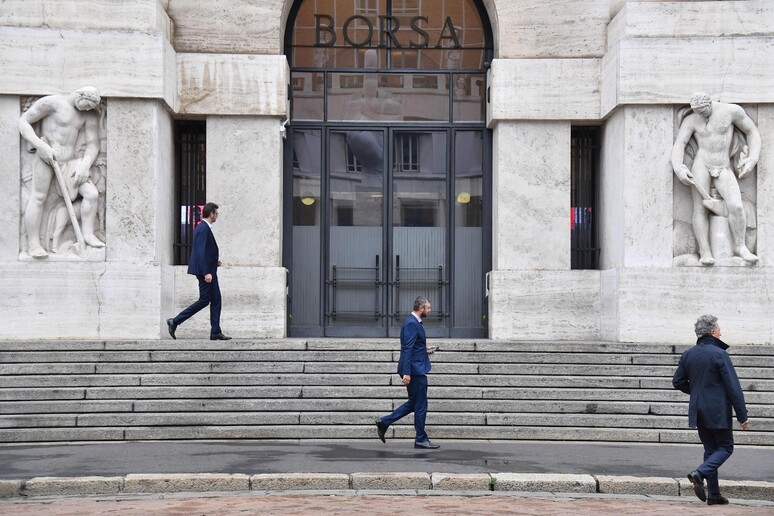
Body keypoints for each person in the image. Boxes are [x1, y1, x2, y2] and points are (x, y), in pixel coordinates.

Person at [671, 92, 761, 265]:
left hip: (723, 165)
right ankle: (705, 251)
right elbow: (680, 144)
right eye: (697, 112)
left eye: (703, 111)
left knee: (736, 206)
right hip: (701, 164)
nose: (701, 115)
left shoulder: (731, 111)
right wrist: (679, 168)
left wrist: (753, 158)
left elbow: (752, 131)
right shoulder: (692, 120)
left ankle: (740, 246)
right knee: (700, 208)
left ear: (710, 104)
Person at [672, 314, 749, 505]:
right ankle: (700, 473)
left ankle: (714, 494)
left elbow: (678, 382)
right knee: (726, 447)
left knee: (711, 449)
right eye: (719, 330)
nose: (721, 333)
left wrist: (697, 392)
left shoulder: (688, 354)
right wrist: (742, 415)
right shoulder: (719, 354)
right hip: (717, 410)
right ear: (713, 332)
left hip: (698, 409)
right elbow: (733, 387)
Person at [19, 87, 104, 258]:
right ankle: (33, 245)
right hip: (46, 157)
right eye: (87, 105)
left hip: (71, 162)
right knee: (38, 197)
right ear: (80, 96)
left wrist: (85, 165)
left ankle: (88, 234)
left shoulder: (89, 115)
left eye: (91, 107)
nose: (88, 109)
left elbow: (93, 143)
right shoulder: (52, 103)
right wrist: (40, 146)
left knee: (92, 194)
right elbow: (24, 122)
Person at [375, 296, 439, 449]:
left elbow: (414, 346)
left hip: (415, 368)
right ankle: (421, 439)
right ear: (421, 308)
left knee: (413, 404)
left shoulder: (413, 322)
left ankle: (384, 422)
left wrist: (425, 350)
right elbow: (407, 349)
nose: (430, 310)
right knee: (421, 406)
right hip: (415, 371)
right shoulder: (411, 323)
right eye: (428, 308)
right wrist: (406, 373)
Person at [167, 203, 232, 341]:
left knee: (216, 300)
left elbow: (204, 251)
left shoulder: (203, 228)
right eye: (216, 213)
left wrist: (214, 262)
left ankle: (215, 331)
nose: (217, 216)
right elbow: (201, 252)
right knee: (204, 300)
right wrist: (206, 272)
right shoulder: (203, 229)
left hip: (209, 269)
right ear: (212, 214)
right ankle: (175, 321)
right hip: (206, 272)